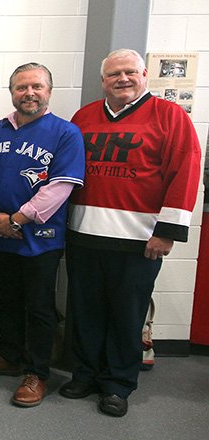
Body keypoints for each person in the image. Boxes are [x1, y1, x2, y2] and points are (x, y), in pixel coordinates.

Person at [64, 48, 200, 417]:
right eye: (113, 74)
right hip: (84, 235)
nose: (122, 79)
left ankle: (118, 384)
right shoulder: (84, 117)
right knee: (86, 311)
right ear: (102, 80)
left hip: (138, 242)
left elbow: (184, 175)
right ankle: (86, 373)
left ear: (144, 74)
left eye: (129, 72)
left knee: (127, 314)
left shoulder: (170, 117)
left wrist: (167, 232)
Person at [0, 63, 85, 407]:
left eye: (36, 86)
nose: (29, 93)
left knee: (39, 307)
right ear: (12, 92)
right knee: (6, 299)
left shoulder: (66, 133)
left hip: (41, 238)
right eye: (21, 87)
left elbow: (60, 187)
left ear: (49, 91)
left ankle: (37, 372)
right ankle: (7, 355)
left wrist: (17, 220)